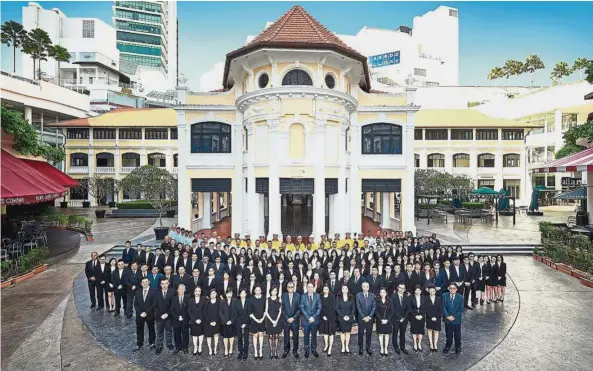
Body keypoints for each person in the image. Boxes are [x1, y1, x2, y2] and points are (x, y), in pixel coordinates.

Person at [300, 282, 321, 359]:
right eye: (308, 287)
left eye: (311, 287)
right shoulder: (303, 296)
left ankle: (313, 349)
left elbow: (319, 307)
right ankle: (306, 350)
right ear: (306, 287)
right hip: (306, 320)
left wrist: (313, 317)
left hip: (314, 320)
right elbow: (302, 307)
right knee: (306, 336)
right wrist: (308, 317)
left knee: (314, 336)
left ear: (313, 287)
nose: (310, 288)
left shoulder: (317, 296)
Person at [133, 277, 155, 351]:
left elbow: (153, 303)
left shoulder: (153, 291)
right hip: (140, 315)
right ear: (141, 284)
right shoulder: (138, 291)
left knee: (151, 329)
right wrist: (140, 313)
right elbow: (135, 304)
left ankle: (152, 343)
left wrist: (146, 312)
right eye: (143, 282)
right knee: (139, 329)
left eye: (146, 282)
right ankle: (139, 344)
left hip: (149, 314)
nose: (144, 283)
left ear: (149, 282)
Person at [154, 278, 175, 355]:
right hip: (159, 317)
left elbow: (173, 305)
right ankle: (159, 346)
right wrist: (160, 315)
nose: (164, 285)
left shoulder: (173, 292)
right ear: (160, 285)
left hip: (169, 316)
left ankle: (169, 344)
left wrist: (167, 314)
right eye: (162, 283)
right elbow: (155, 306)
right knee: (159, 332)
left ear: (168, 283)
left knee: (169, 331)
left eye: (166, 283)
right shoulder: (156, 293)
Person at [443, 283, 464, 354]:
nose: (452, 290)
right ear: (448, 288)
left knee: (457, 335)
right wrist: (448, 316)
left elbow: (461, 309)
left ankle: (458, 347)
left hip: (456, 319)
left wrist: (454, 317)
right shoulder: (444, 295)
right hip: (447, 319)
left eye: (454, 288)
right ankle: (448, 346)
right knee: (448, 335)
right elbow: (443, 307)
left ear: (456, 289)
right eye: (451, 288)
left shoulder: (460, 297)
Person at [281, 282, 300, 358]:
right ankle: (286, 350)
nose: (290, 288)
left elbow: (299, 308)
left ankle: (295, 351)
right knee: (286, 337)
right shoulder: (283, 296)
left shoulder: (298, 296)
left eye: (292, 287)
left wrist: (293, 318)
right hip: (286, 320)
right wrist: (287, 318)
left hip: (295, 320)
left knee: (295, 337)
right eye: (289, 287)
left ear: (294, 287)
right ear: (287, 288)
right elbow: (282, 308)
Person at [356, 281, 376, 356]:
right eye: (364, 286)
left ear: (369, 287)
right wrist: (363, 317)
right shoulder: (358, 295)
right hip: (361, 318)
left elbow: (374, 307)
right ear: (362, 287)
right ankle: (360, 347)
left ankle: (368, 347)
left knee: (369, 333)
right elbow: (358, 307)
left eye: (367, 286)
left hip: (369, 318)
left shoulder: (372, 295)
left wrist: (369, 316)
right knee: (360, 333)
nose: (365, 288)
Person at [390, 282, 410, 354]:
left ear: (404, 289)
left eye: (403, 288)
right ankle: (396, 347)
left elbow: (408, 309)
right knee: (395, 332)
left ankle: (402, 347)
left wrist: (403, 318)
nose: (401, 289)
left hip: (404, 319)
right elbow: (393, 308)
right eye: (400, 287)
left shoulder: (407, 297)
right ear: (397, 288)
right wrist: (399, 317)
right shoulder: (393, 296)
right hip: (395, 318)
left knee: (403, 333)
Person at [336, 285, 356, 355]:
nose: (344, 290)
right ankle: (343, 347)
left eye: (346, 289)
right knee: (342, 332)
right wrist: (343, 316)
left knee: (348, 333)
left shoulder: (351, 297)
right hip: (341, 318)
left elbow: (353, 309)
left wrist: (349, 316)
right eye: (343, 289)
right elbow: (337, 308)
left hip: (349, 318)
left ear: (348, 290)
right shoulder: (338, 297)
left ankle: (347, 347)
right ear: (341, 290)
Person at [265, 285, 282, 359]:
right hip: (270, 320)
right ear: (270, 291)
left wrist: (276, 321)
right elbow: (266, 311)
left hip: (277, 319)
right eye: (272, 290)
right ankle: (271, 351)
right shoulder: (267, 299)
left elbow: (280, 311)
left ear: (277, 291)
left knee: (276, 336)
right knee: (270, 336)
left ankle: (275, 351)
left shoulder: (279, 299)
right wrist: (272, 321)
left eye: (275, 290)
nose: (274, 292)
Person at [171, 284, 190, 354]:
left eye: (182, 289)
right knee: (176, 334)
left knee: (185, 334)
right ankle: (178, 347)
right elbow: (172, 310)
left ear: (184, 290)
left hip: (185, 319)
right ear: (177, 290)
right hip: (176, 320)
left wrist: (183, 317)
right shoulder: (174, 298)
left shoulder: (188, 297)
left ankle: (185, 347)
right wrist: (177, 317)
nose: (181, 290)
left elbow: (189, 309)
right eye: (180, 289)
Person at [249, 285, 266, 360]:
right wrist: (256, 319)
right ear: (254, 291)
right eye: (256, 290)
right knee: (255, 335)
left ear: (261, 291)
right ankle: (256, 351)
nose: (258, 291)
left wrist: (262, 319)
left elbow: (265, 310)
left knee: (261, 334)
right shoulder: (251, 299)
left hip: (262, 319)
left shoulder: (264, 298)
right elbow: (249, 311)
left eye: (259, 290)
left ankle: (260, 351)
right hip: (254, 320)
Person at [319, 285, 336, 356]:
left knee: (331, 333)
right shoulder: (321, 297)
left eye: (326, 289)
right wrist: (323, 316)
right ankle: (326, 345)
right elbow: (320, 308)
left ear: (328, 290)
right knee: (325, 333)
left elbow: (333, 308)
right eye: (324, 289)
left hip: (331, 317)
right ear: (323, 290)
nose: (325, 290)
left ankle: (330, 348)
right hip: (323, 318)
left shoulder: (332, 297)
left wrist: (328, 316)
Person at [220, 288, 237, 358]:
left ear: (232, 293)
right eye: (227, 293)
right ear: (225, 294)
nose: (229, 295)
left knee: (231, 336)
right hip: (224, 323)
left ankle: (230, 349)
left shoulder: (235, 301)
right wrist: (226, 321)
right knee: (225, 337)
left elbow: (236, 313)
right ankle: (226, 349)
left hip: (232, 322)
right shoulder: (222, 301)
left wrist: (231, 321)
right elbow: (220, 313)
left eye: (230, 293)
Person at [424, 285, 442, 352]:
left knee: (436, 331)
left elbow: (440, 309)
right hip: (429, 317)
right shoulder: (426, 298)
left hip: (437, 318)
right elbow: (426, 309)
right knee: (429, 330)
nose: (432, 292)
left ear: (435, 291)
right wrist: (431, 317)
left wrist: (436, 317)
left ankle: (435, 344)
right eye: (430, 291)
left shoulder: (439, 298)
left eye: (433, 291)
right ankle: (431, 343)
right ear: (428, 291)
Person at [187, 286, 205, 355]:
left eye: (199, 291)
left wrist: (200, 319)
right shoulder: (190, 300)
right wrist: (195, 320)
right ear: (194, 292)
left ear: (201, 292)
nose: (198, 292)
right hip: (193, 321)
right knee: (194, 335)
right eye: (196, 291)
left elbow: (204, 310)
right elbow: (189, 311)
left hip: (201, 320)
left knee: (200, 334)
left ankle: (200, 346)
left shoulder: (204, 299)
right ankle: (195, 347)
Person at [234, 288, 250, 360]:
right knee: (239, 338)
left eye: (244, 293)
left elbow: (249, 313)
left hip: (246, 322)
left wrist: (245, 323)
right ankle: (240, 352)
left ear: (246, 294)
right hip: (238, 322)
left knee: (246, 338)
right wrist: (240, 323)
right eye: (241, 293)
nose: (243, 294)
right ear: (239, 294)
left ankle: (245, 352)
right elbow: (236, 314)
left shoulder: (248, 301)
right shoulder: (236, 302)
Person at [375, 287, 392, 356]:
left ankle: (386, 348)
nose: (382, 294)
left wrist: (387, 320)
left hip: (388, 321)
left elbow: (392, 311)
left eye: (383, 292)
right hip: (380, 321)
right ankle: (382, 348)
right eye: (381, 292)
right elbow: (376, 311)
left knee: (387, 334)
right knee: (381, 334)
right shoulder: (377, 300)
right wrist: (381, 319)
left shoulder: (390, 300)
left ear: (386, 293)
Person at [204, 288, 221, 356]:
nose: (212, 295)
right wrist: (210, 322)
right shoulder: (207, 302)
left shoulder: (219, 301)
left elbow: (220, 312)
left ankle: (215, 348)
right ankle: (210, 349)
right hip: (208, 322)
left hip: (217, 322)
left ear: (216, 294)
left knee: (216, 335)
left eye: (214, 293)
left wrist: (215, 321)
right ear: (209, 295)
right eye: (211, 294)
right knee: (209, 336)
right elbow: (205, 313)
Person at [409, 285, 425, 352]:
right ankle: (415, 343)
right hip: (413, 316)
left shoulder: (424, 297)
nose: (417, 291)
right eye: (416, 290)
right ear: (414, 290)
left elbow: (426, 308)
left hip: (422, 316)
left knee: (420, 330)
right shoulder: (411, 297)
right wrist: (415, 315)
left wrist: (421, 315)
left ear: (421, 291)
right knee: (414, 330)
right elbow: (410, 308)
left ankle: (419, 344)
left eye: (419, 290)